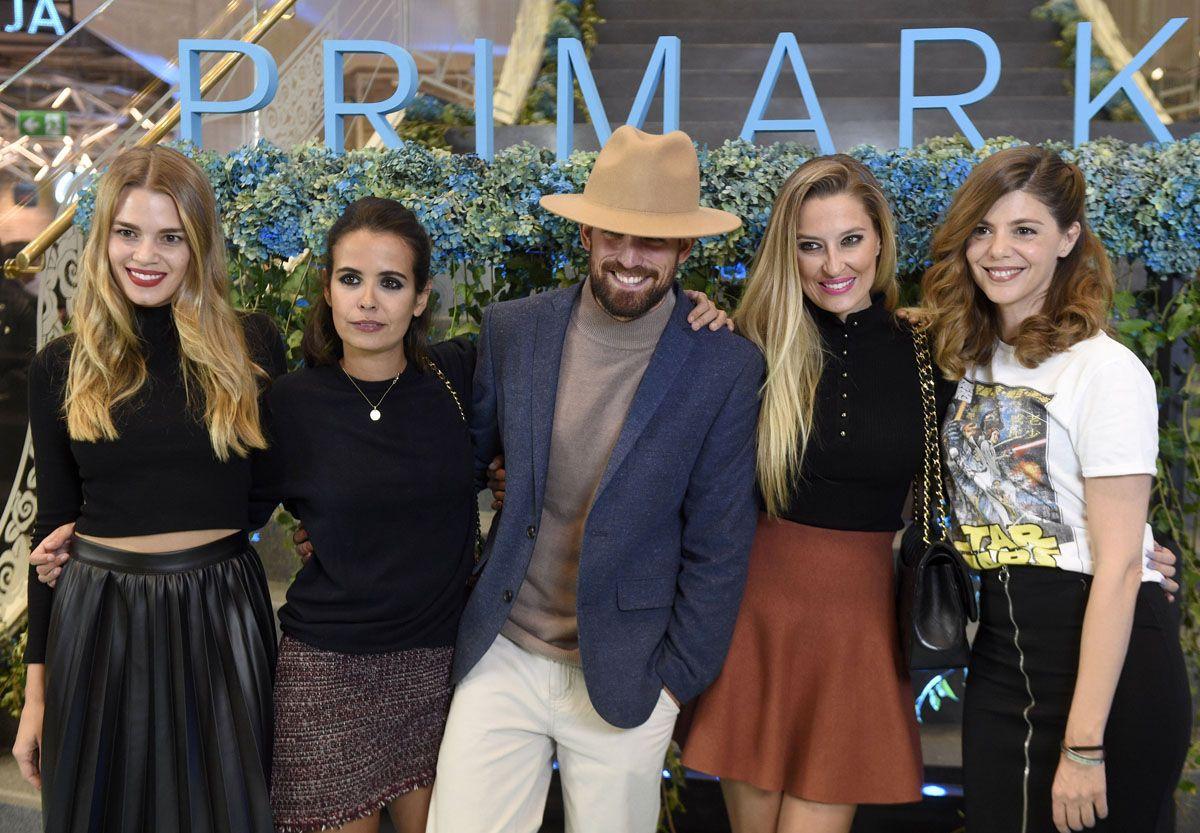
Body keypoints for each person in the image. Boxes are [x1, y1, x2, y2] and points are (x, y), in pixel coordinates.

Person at [425, 125, 764, 833]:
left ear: (685, 250)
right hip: (504, 650)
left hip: (628, 670)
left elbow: (720, 542)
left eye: (653, 242)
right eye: (615, 236)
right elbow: (464, 465)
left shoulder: (723, 366)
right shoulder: (514, 330)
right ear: (586, 237)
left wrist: (674, 681)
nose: (631, 259)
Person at [12, 145, 286, 833]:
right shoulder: (61, 367)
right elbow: (53, 522)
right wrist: (35, 695)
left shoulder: (251, 346)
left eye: (171, 236)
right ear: (103, 237)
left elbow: (264, 487)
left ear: (198, 245)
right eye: (128, 233)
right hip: (98, 614)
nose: (147, 254)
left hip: (220, 607)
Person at [923, 146, 1191, 833]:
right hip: (1003, 651)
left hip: (1102, 658)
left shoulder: (1105, 370)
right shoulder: (970, 354)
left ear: (1069, 238)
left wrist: (1083, 743)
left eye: (1024, 229)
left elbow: (1122, 565)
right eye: (982, 229)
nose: (997, 249)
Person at [678, 154, 934, 833]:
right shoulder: (748, 347)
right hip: (757, 616)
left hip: (859, 625)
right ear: (786, 254)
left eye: (850, 239)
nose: (833, 265)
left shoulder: (928, 348)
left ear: (879, 236)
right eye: (810, 246)